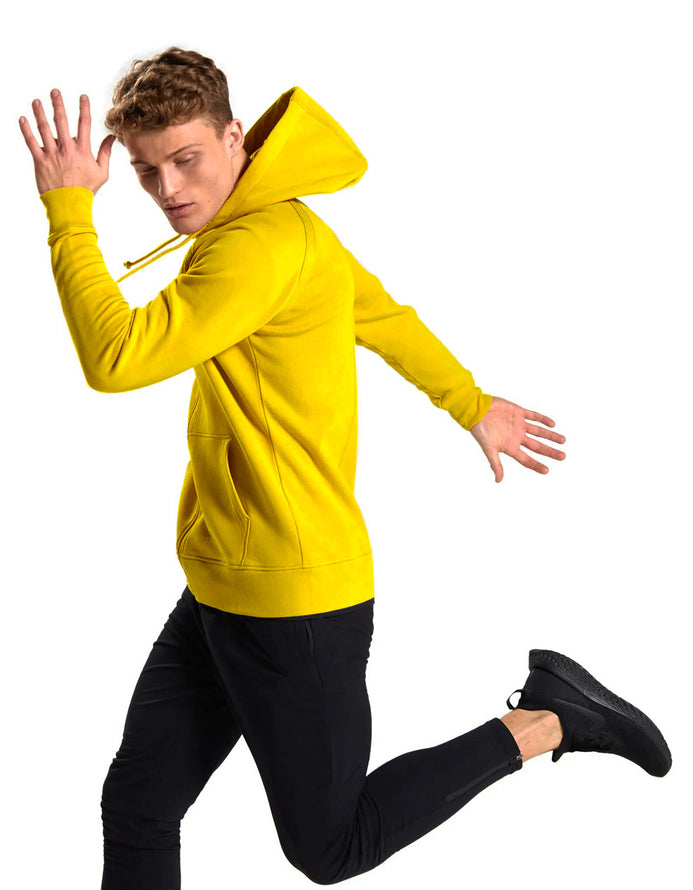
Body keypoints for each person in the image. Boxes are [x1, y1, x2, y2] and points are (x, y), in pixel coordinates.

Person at [19, 47, 671, 889]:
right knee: (139, 804)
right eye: (146, 171)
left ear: (234, 137)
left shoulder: (256, 248)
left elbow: (116, 358)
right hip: (221, 583)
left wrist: (69, 213)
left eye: (186, 159)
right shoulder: (285, 227)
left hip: (293, 602)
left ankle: (547, 719)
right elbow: (381, 316)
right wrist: (470, 403)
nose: (168, 188)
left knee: (330, 847)